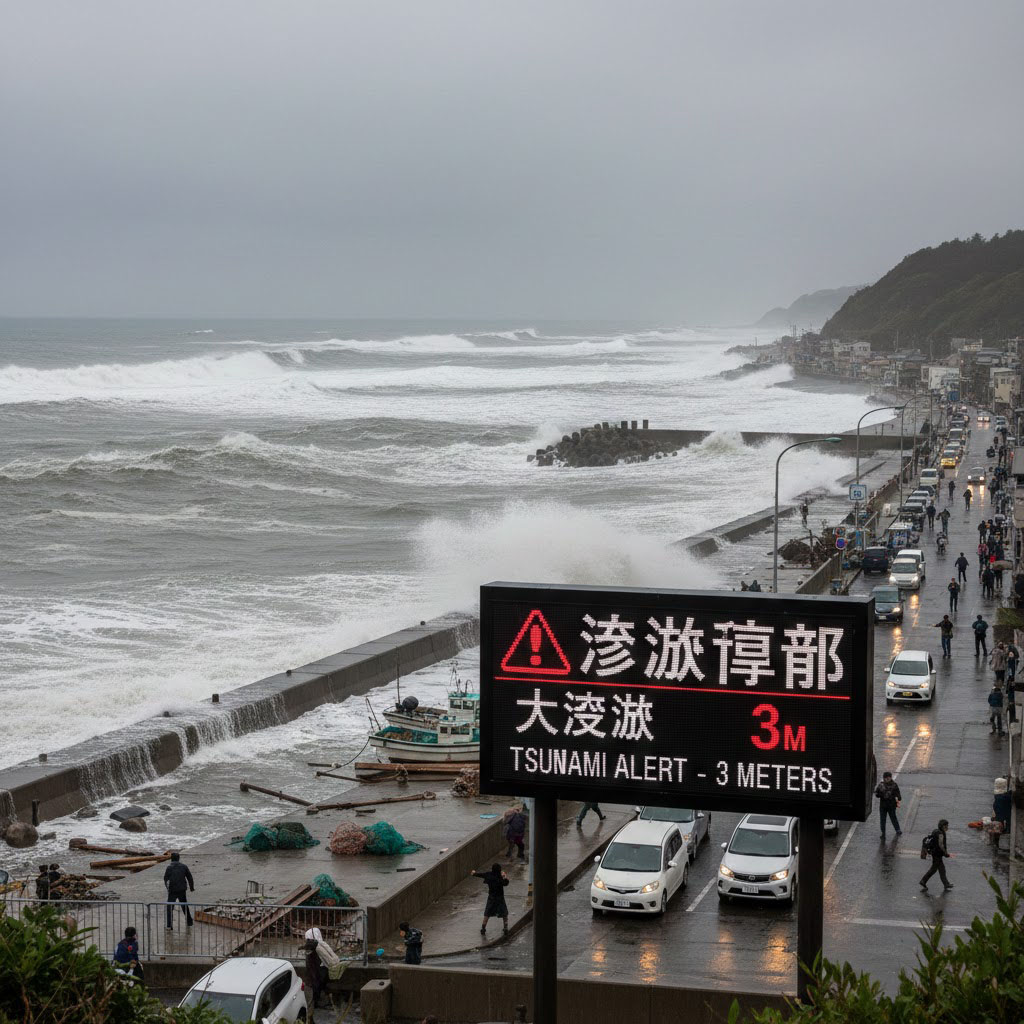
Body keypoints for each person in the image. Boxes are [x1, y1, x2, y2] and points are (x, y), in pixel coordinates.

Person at [303, 927, 338, 1019]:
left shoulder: (316, 946)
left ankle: (316, 1001)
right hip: (315, 973)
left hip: (316, 971)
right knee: (316, 985)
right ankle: (315, 1003)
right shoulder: (316, 946)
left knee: (318, 984)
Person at [471, 864, 509, 935]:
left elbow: (481, 875)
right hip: (500, 897)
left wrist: (474, 873)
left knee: (487, 913)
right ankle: (505, 927)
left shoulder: (488, 875)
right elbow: (506, 883)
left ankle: (483, 928)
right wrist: (504, 876)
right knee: (504, 913)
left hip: (491, 897)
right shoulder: (500, 877)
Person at [919, 819, 954, 892]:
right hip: (937, 854)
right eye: (946, 825)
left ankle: (946, 884)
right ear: (943, 826)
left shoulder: (935, 831)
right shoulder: (941, 834)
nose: (947, 827)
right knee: (933, 870)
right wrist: (946, 853)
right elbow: (941, 845)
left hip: (935, 853)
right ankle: (923, 881)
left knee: (942, 870)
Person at [163, 852, 194, 929]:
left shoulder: (169, 867)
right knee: (184, 906)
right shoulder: (184, 866)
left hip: (172, 890)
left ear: (171, 859)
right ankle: (189, 922)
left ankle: (169, 925)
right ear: (179, 858)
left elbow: (165, 879)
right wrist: (191, 887)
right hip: (182, 890)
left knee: (169, 908)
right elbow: (190, 877)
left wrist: (167, 888)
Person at [874, 771, 902, 839]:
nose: (887, 779)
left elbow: (898, 793)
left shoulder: (894, 785)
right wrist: (881, 795)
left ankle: (897, 829)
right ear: (884, 778)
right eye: (885, 778)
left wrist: (898, 797)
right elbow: (876, 794)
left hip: (891, 805)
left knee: (893, 818)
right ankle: (883, 833)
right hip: (883, 806)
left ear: (890, 778)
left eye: (888, 778)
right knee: (883, 820)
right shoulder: (881, 785)